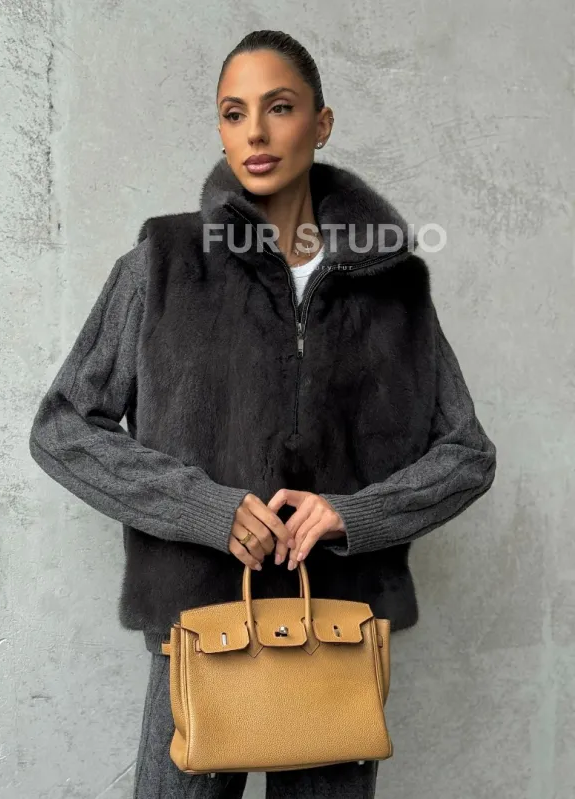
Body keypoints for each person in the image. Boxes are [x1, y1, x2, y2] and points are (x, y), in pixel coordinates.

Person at [28, 29, 497, 799]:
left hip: (335, 635)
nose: (255, 131)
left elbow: (466, 453)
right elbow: (64, 428)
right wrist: (207, 508)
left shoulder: (390, 285)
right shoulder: (162, 264)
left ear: (322, 122)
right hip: (197, 629)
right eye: (233, 112)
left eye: (279, 107)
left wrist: (351, 514)